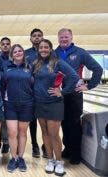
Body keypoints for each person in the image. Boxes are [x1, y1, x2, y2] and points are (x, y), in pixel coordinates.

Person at [55, 28, 103, 164]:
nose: (63, 39)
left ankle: (76, 153)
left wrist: (88, 86)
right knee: (63, 122)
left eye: (66, 37)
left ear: (71, 37)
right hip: (59, 94)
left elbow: (98, 69)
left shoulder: (80, 52)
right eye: (61, 37)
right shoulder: (54, 53)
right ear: (58, 38)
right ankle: (68, 148)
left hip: (75, 93)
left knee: (74, 123)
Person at [33, 39, 79, 176]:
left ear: (51, 49)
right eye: (41, 47)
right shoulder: (36, 64)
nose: (43, 49)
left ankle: (59, 162)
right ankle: (50, 160)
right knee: (45, 133)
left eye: (46, 47)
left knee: (54, 134)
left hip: (54, 103)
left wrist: (62, 92)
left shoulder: (58, 63)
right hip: (39, 103)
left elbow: (74, 76)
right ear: (38, 49)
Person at [4, 44, 34, 172]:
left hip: (26, 104)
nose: (17, 53)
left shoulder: (30, 67)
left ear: (23, 53)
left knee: (22, 132)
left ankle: (21, 158)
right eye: (15, 51)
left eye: (20, 51)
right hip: (10, 104)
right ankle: (14, 158)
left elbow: (35, 84)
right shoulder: (6, 67)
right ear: (11, 55)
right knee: (12, 133)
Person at [25, 28, 46, 158]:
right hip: (30, 93)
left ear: (42, 38)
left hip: (44, 93)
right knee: (32, 121)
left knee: (45, 121)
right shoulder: (26, 53)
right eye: (34, 36)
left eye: (39, 36)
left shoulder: (50, 52)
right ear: (31, 39)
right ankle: (35, 145)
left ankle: (46, 145)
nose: (37, 38)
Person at [0, 37, 12, 156]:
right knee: (0, 120)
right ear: (0, 46)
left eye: (7, 44)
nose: (5, 46)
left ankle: (7, 142)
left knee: (9, 121)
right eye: (3, 44)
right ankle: (0, 143)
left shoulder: (14, 59)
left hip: (12, 95)